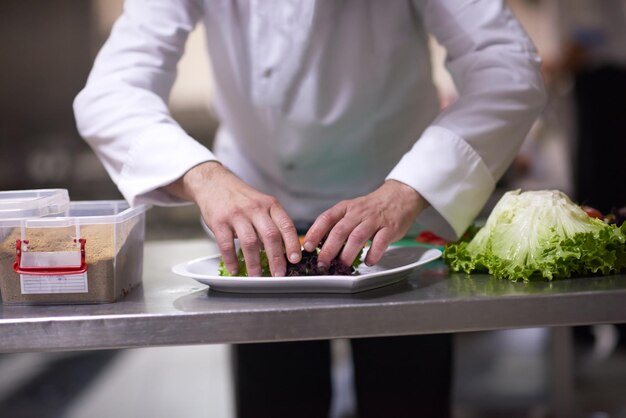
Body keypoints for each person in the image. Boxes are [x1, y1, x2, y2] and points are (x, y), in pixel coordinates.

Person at [74, 1, 546, 417]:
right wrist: (204, 176)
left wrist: (409, 188)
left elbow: (507, 67)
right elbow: (112, 92)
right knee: (277, 399)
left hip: (397, 217)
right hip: (258, 223)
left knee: (406, 395)